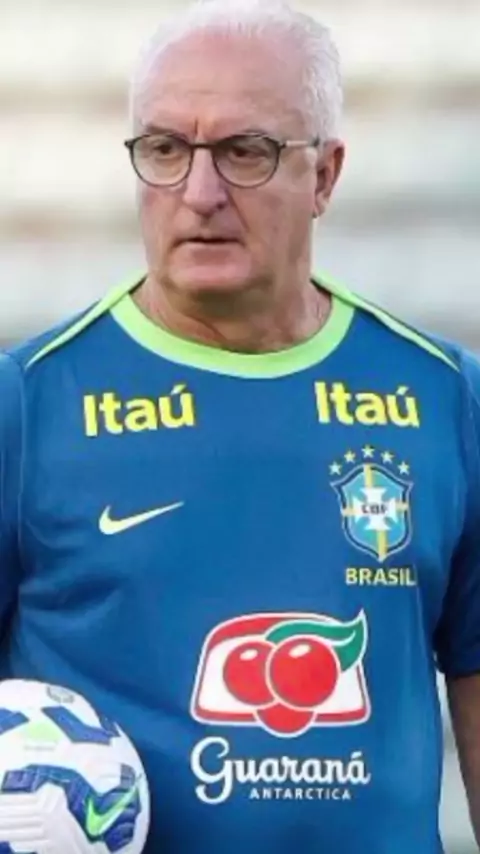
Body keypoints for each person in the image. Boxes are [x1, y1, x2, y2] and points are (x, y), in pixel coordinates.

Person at [1, 0, 479, 851]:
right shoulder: (29, 403)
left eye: (244, 152)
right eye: (164, 150)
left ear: (325, 176)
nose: (200, 193)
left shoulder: (445, 398)